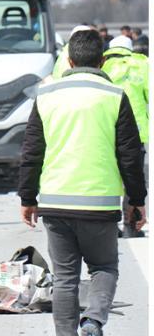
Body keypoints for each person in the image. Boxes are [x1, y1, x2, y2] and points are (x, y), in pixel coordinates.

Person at [18, 30, 147, 336]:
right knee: (104, 268)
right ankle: (93, 321)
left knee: (64, 278)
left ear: (70, 60)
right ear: (102, 61)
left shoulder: (46, 95)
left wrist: (27, 198)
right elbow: (129, 157)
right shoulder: (115, 96)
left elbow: (32, 152)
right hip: (99, 206)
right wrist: (137, 201)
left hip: (55, 203)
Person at [102, 35, 149, 237]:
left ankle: (111, 223)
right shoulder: (142, 64)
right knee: (133, 174)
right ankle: (133, 221)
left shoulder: (102, 64)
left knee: (110, 175)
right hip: (136, 132)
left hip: (107, 130)